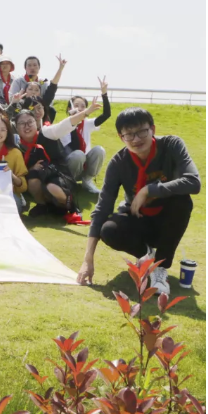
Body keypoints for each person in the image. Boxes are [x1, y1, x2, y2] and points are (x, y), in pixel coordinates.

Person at [76, 108, 201, 294]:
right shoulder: (118, 162)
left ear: (153, 129)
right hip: (139, 221)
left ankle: (160, 267)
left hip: (168, 222)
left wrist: (150, 190)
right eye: (129, 134)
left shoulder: (171, 145)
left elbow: (193, 182)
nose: (136, 139)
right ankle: (147, 255)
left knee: (182, 202)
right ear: (121, 137)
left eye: (142, 131)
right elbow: (102, 209)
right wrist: (87, 260)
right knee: (109, 229)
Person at [15, 102, 101, 220]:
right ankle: (42, 205)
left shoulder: (46, 133)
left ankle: (70, 206)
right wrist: (32, 169)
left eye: (30, 122)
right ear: (16, 127)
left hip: (58, 173)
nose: (27, 126)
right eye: (22, 123)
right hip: (36, 178)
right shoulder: (17, 145)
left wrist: (86, 112)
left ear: (36, 122)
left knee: (53, 187)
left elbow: (65, 125)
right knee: (33, 179)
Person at [61, 77, 111, 194]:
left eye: (83, 106)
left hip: (84, 164)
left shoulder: (88, 123)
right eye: (76, 105)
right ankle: (69, 182)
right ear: (69, 108)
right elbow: (71, 148)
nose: (80, 108)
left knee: (99, 150)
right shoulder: (63, 125)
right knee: (78, 154)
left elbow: (106, 114)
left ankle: (87, 180)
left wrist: (104, 94)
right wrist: (74, 122)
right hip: (70, 166)